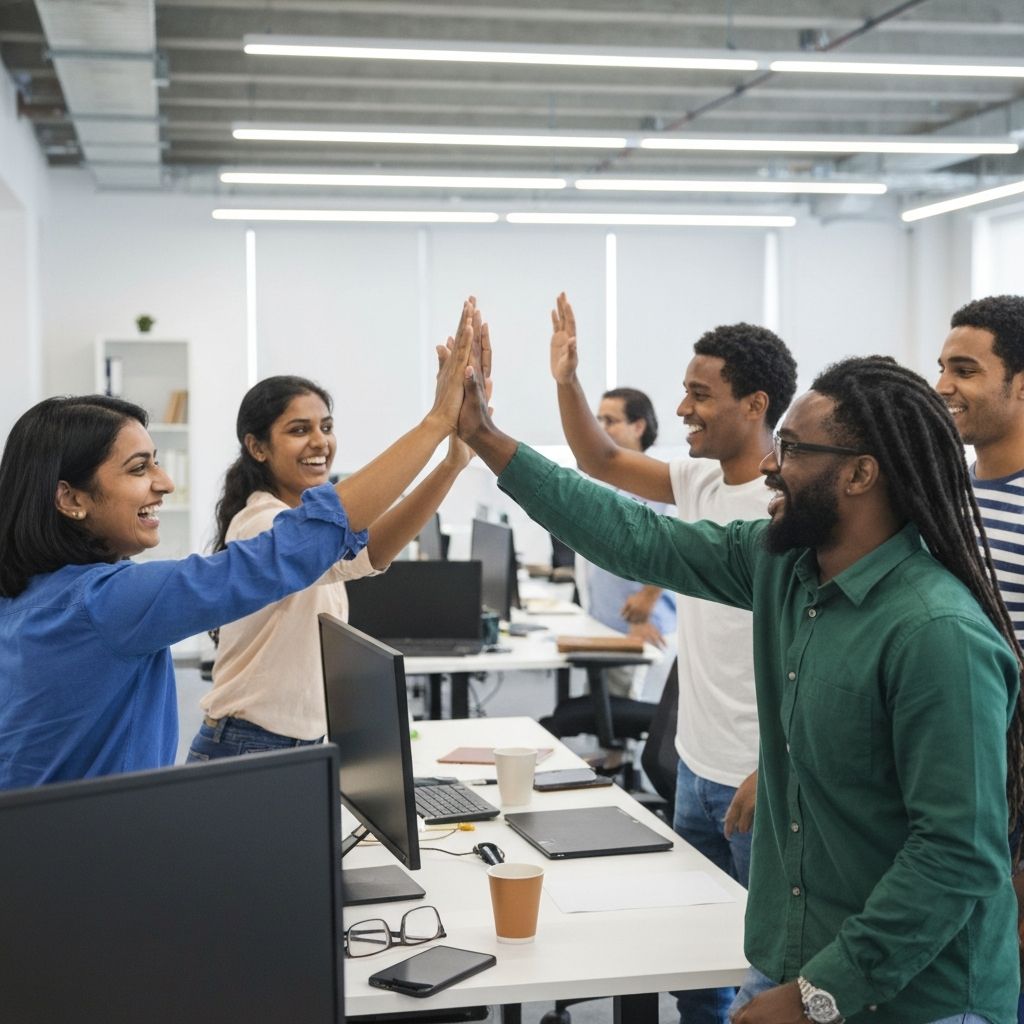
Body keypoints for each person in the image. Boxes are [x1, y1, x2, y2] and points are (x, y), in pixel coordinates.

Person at [458, 339, 1022, 1024]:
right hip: (797, 957)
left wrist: (820, 995)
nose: (767, 466)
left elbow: (954, 855)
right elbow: (637, 536)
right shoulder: (788, 568)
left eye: (791, 451)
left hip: (914, 1000)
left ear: (860, 475)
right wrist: (485, 436)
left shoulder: (936, 634)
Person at [0, 299, 484, 789]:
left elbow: (356, 551)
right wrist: (435, 424)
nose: (165, 483)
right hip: (99, 837)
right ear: (71, 498)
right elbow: (290, 551)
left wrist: (449, 462)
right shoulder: (106, 602)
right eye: (140, 468)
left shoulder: (33, 598)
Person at [550, 293, 796, 1022]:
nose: (683, 408)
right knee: (693, 970)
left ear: (754, 404)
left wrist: (774, 764)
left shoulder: (790, 507)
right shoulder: (699, 481)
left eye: (699, 394)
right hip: (694, 764)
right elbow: (598, 458)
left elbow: (811, 656)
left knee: (762, 971)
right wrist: (566, 379)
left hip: (760, 779)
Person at [187, 374, 474, 760]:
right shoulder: (261, 523)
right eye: (299, 430)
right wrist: (436, 424)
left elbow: (371, 553)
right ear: (257, 447)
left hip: (294, 745)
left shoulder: (303, 526)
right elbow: (360, 542)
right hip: (248, 744)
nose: (320, 441)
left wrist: (452, 466)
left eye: (326, 427)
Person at [936, 293, 1024, 1024]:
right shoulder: (945, 498)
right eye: (941, 368)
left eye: (965, 370)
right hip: (954, 789)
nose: (942, 386)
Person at [575, 386, 676, 698]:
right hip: (606, 624)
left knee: (624, 720)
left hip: (638, 628)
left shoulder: (657, 482)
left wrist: (648, 600)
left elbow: (674, 545)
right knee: (602, 712)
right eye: (598, 419)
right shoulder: (615, 483)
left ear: (639, 426)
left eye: (611, 420)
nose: (601, 428)